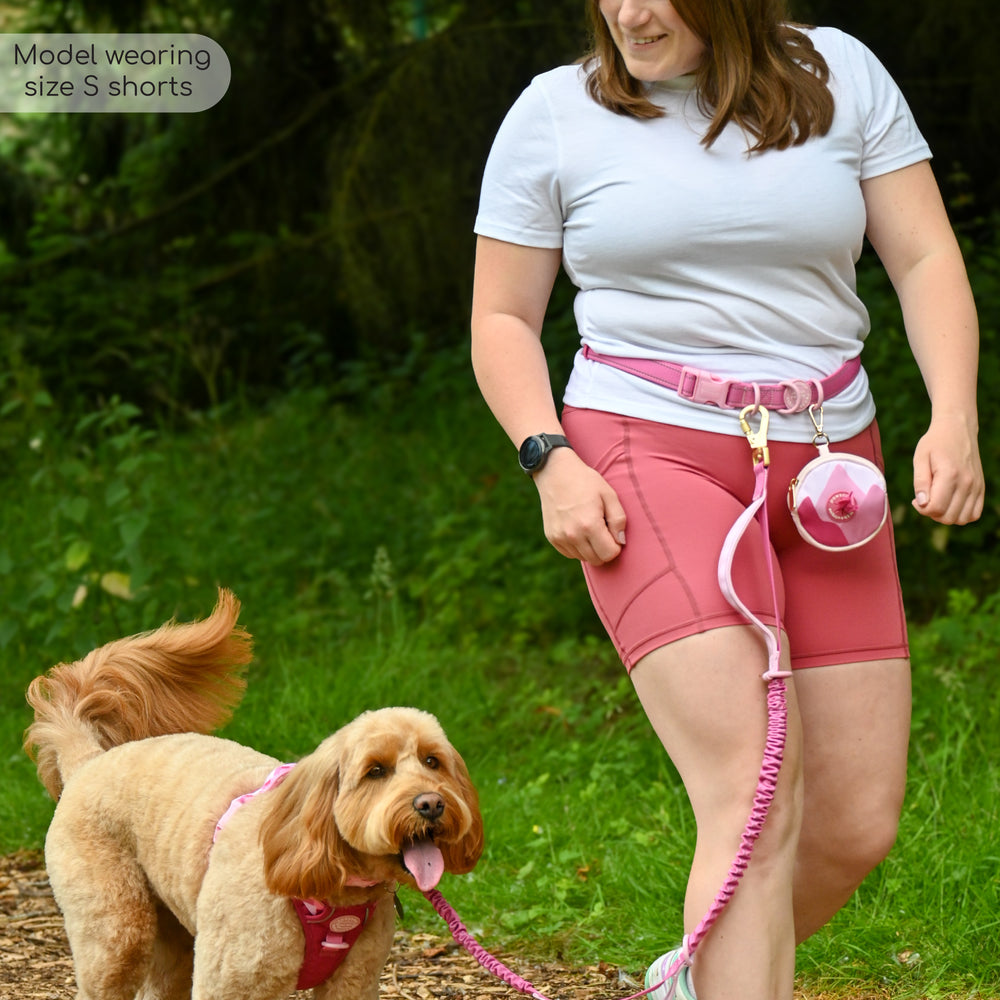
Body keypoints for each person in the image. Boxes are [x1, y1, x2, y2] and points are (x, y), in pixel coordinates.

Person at [470, 2, 985, 999]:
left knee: (854, 820)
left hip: (829, 460)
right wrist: (549, 457)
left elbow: (922, 257)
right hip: (642, 447)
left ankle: (693, 982)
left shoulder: (838, 75)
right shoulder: (554, 115)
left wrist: (953, 415)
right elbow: (500, 313)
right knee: (752, 790)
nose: (629, 9)